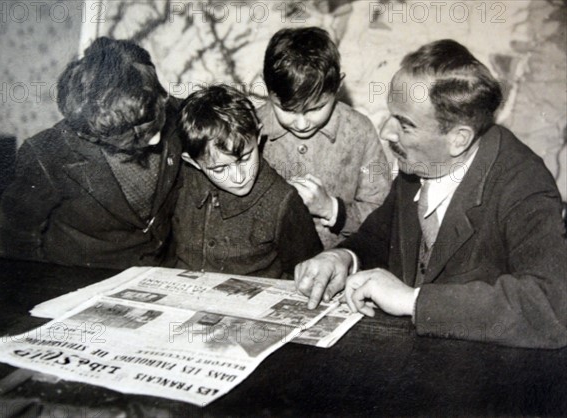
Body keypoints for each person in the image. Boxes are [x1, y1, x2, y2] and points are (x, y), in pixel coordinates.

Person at [295, 39, 567, 349]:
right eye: (391, 115)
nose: (386, 132)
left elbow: (553, 304)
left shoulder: (524, 184)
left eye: (405, 125)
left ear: (458, 139)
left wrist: (414, 301)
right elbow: (381, 237)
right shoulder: (422, 163)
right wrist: (344, 257)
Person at [0, 37, 182, 269]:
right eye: (134, 133)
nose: (155, 138)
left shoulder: (172, 113)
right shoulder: (47, 154)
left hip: (157, 275)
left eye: (154, 122)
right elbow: (15, 233)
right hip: (80, 277)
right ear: (93, 131)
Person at [257, 27, 391, 249]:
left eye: (315, 108)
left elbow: (383, 215)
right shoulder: (252, 127)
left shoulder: (359, 131)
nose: (301, 124)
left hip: (339, 265)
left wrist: (331, 209)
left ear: (338, 85)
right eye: (287, 110)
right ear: (267, 87)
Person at [173, 84, 322, 279]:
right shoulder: (182, 182)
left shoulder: (283, 201)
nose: (239, 177)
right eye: (219, 169)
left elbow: (311, 269)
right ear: (193, 162)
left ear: (258, 137)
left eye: (244, 158)